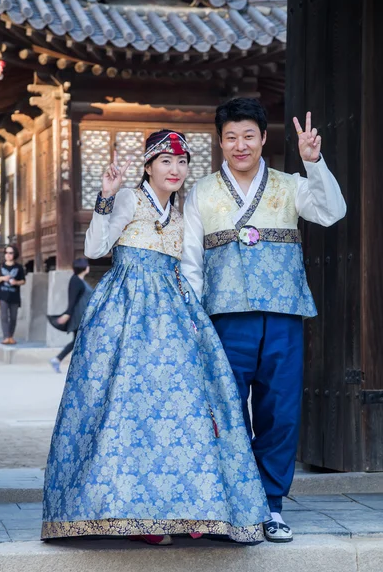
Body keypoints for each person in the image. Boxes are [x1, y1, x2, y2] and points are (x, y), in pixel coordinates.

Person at [41, 129, 269, 545]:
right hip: (126, 312)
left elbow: (190, 269)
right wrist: (106, 196)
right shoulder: (130, 198)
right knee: (127, 406)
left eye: (182, 162)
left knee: (182, 407)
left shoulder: (182, 214)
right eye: (166, 161)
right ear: (149, 165)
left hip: (175, 313)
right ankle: (137, 514)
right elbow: (95, 249)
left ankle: (186, 506)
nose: (176, 169)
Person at [181, 99, 347, 543]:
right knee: (227, 413)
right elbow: (191, 263)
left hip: (283, 314)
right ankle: (235, 503)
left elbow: (332, 212)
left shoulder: (291, 185)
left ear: (263, 139)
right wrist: (193, 319)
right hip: (224, 318)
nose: (240, 145)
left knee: (280, 412)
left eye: (248, 136)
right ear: (220, 141)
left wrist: (314, 162)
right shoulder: (201, 192)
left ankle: (271, 506)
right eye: (231, 137)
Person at [49, 258, 93, 373]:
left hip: (84, 315)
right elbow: (72, 300)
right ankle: (58, 359)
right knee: (80, 341)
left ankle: (59, 360)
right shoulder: (75, 281)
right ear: (84, 268)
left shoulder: (80, 280)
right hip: (79, 316)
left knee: (80, 341)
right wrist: (67, 314)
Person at [0, 244, 26, 345]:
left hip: (14, 295)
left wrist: (16, 282)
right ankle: (6, 336)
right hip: (2, 295)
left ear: (14, 254)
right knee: (4, 316)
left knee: (14, 317)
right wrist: (3, 278)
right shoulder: (0, 266)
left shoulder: (19, 267)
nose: (8, 255)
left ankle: (11, 336)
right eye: (6, 253)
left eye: (10, 253)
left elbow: (23, 281)